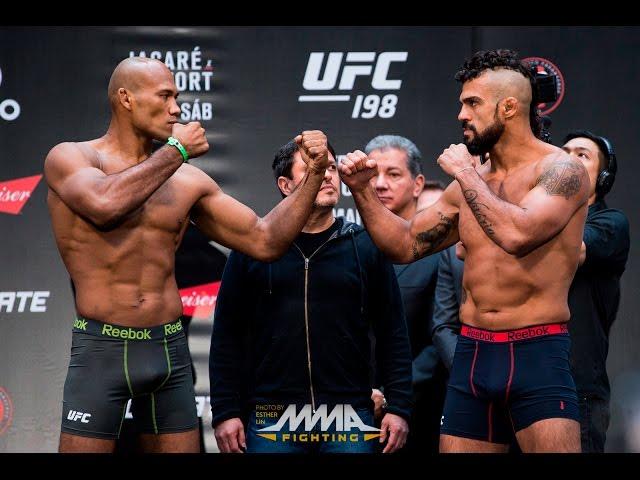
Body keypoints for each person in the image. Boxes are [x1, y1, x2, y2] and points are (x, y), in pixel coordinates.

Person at [44, 57, 330, 453]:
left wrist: (314, 176)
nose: (177, 108)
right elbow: (104, 205)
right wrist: (177, 149)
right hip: (102, 352)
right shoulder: (72, 158)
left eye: (177, 97)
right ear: (125, 99)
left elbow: (265, 240)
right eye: (165, 96)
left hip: (168, 350)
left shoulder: (187, 181)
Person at [339, 49, 590, 453]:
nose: (461, 114)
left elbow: (518, 234)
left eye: (472, 103)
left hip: (536, 353)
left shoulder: (562, 171)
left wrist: (466, 174)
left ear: (508, 108)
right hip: (473, 354)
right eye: (461, 103)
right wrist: (362, 191)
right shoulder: (470, 183)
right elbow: (404, 245)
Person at [209, 139, 412, 454]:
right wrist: (225, 411)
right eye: (315, 168)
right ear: (286, 184)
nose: (328, 175)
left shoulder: (365, 245)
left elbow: (393, 332)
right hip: (270, 414)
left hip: (348, 416)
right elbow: (226, 335)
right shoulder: (252, 247)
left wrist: (399, 406)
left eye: (331, 167)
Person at [364, 134, 447, 453]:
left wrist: (391, 394)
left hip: (420, 410)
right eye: (372, 175)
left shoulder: (441, 250)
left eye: (393, 174)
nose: (380, 184)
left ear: (418, 184)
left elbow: (442, 334)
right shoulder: (346, 248)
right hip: (352, 409)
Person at [561, 130, 630, 452]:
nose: (569, 160)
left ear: (601, 177)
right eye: (564, 152)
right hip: (531, 383)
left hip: (579, 388)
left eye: (582, 155)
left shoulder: (611, 222)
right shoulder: (529, 218)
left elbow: (571, 250)